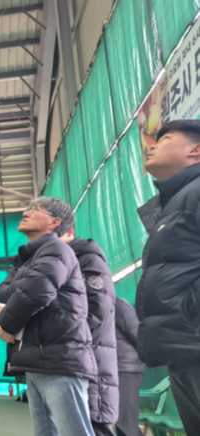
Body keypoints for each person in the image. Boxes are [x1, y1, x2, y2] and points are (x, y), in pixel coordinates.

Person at [0, 197, 96, 436]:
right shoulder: (27, 260)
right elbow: (2, 291)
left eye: (35, 209)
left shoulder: (57, 250)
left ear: (54, 222)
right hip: (38, 360)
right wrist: (22, 286)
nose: (26, 213)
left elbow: (35, 291)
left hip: (60, 360)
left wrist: (5, 324)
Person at [136, 119, 200, 434]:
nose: (151, 146)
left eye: (164, 139)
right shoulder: (175, 203)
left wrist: (191, 314)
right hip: (185, 346)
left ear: (196, 150)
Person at [60, 228, 118, 436]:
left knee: (93, 422)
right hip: (72, 359)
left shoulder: (88, 259)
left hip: (91, 361)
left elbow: (95, 308)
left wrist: (56, 330)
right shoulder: (60, 260)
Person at [114, 297, 144, 436]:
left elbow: (137, 333)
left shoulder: (117, 303)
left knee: (126, 423)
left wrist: (144, 353)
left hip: (125, 367)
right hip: (112, 368)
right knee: (121, 421)